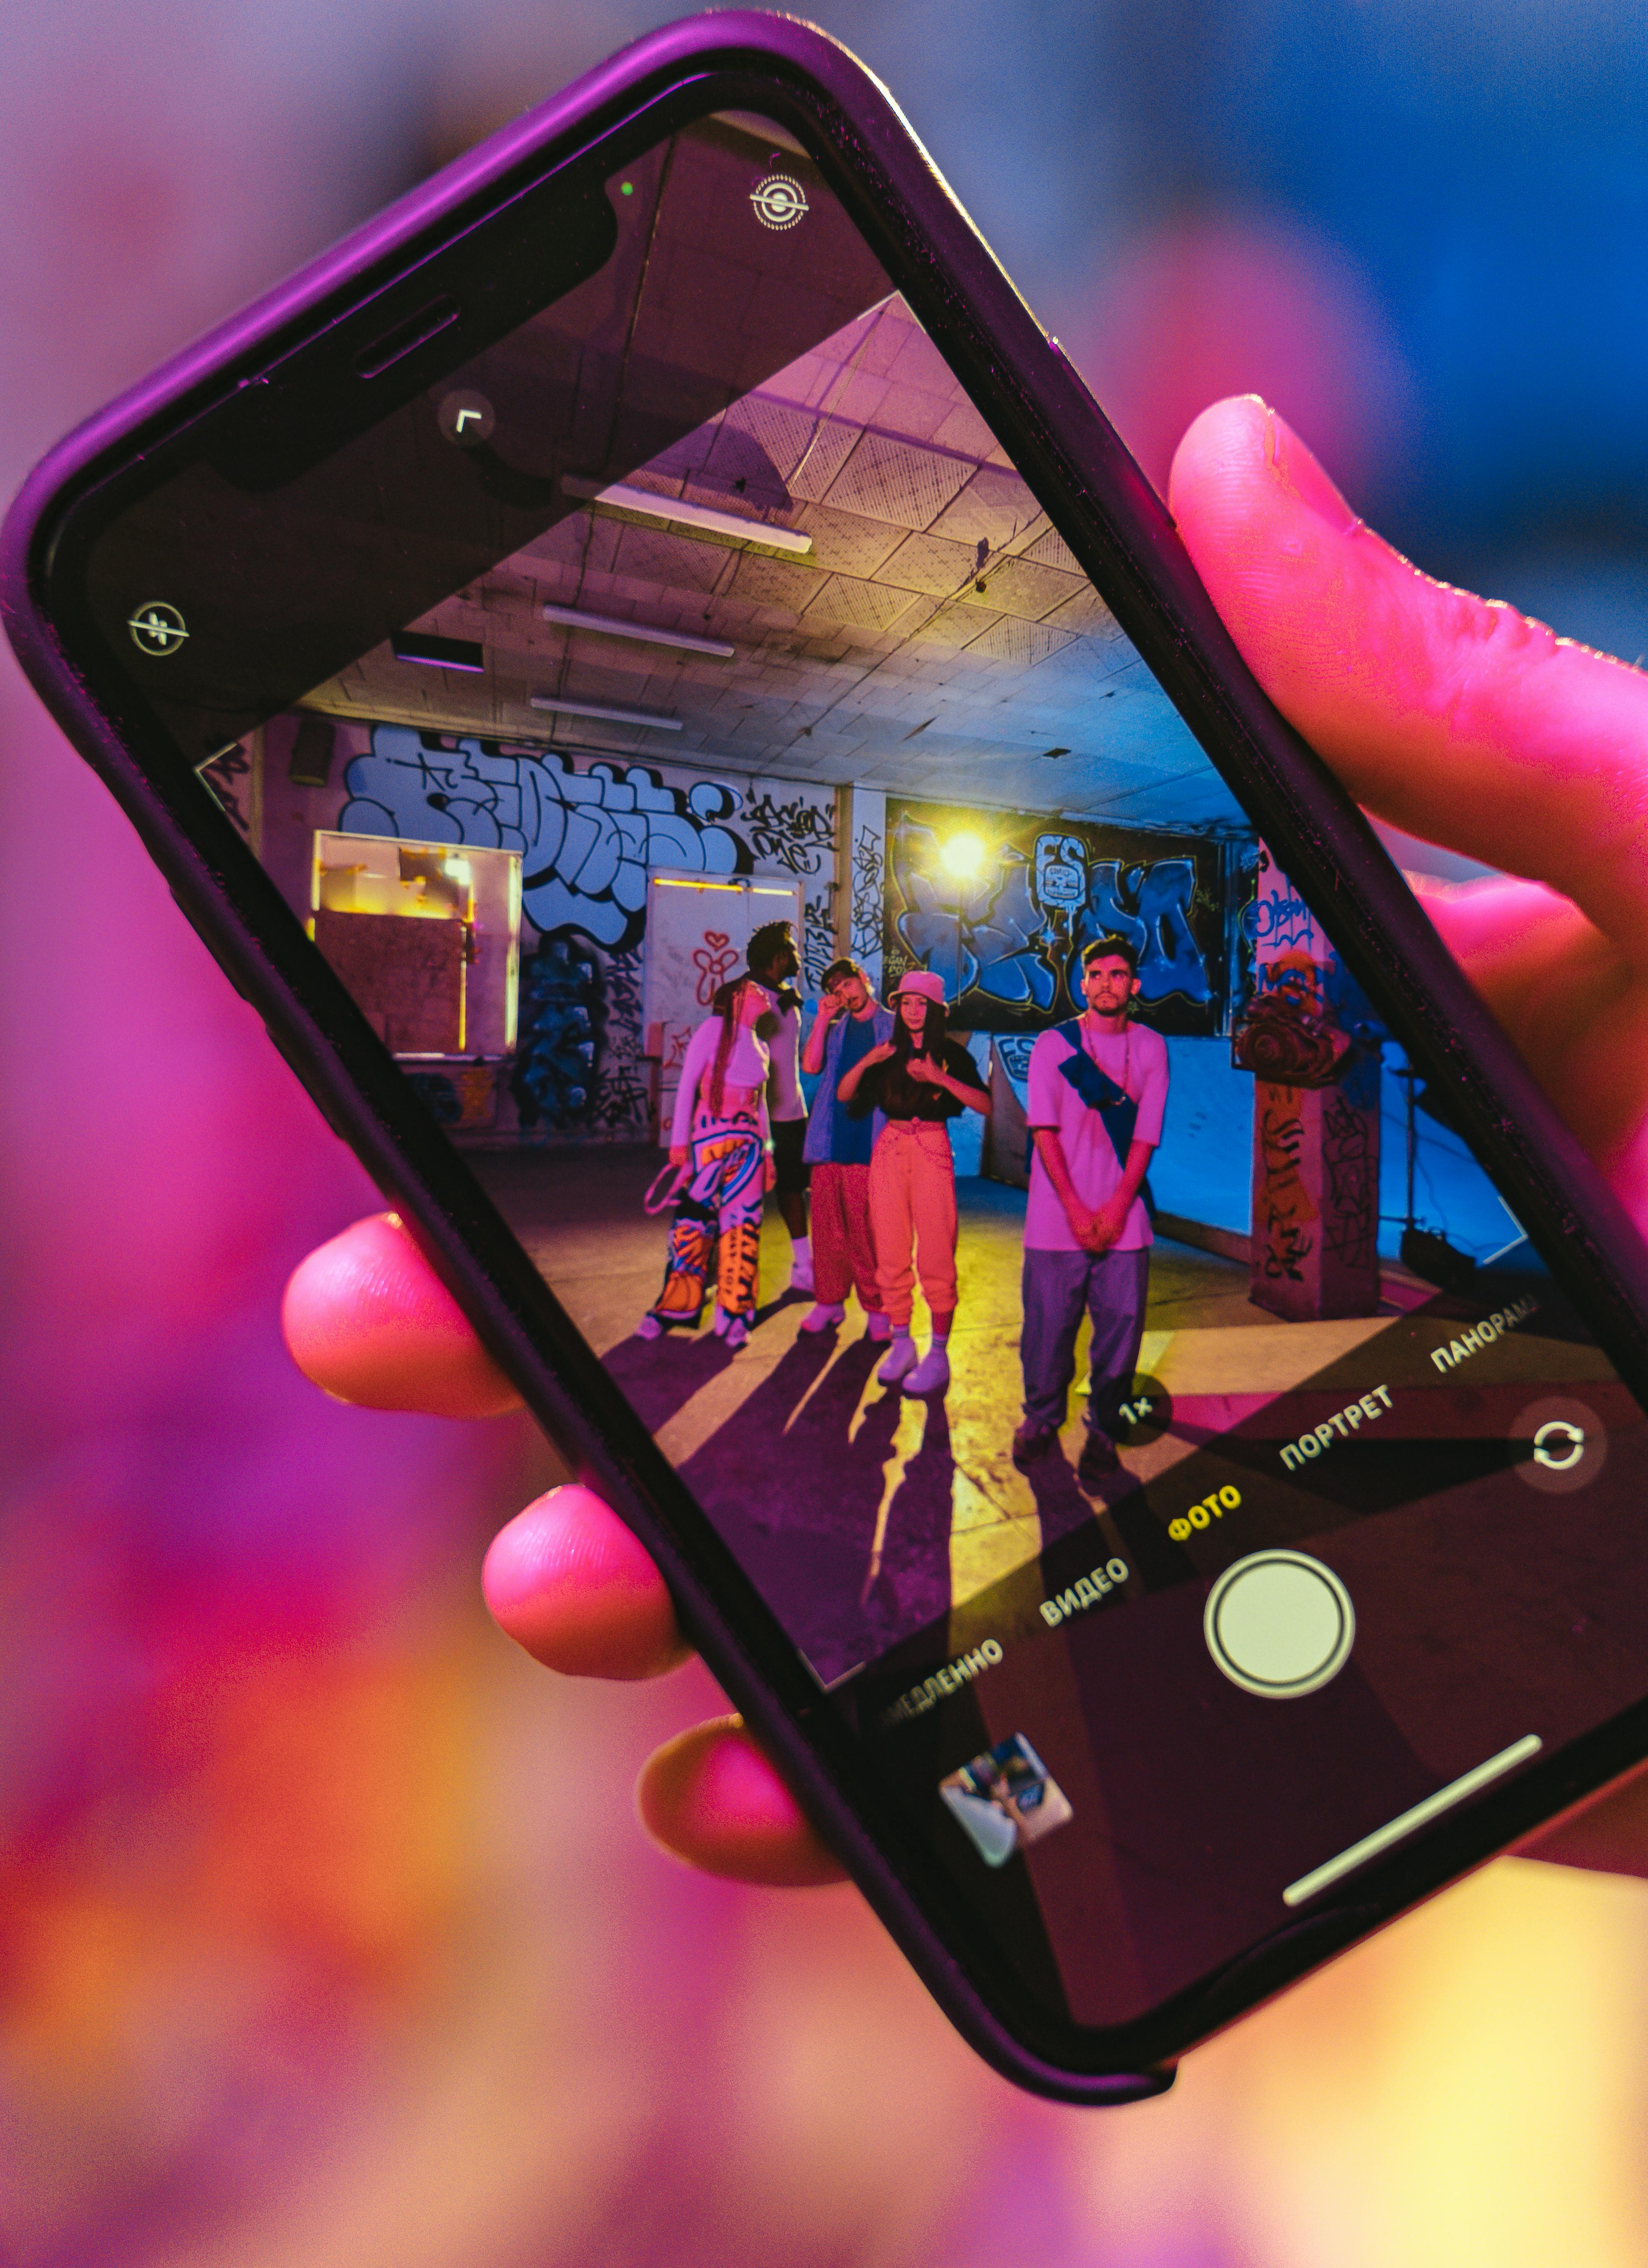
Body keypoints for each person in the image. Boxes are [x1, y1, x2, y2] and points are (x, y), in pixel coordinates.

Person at [281, 398, 1648, 1891]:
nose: (884, 998)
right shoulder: (834, 1044)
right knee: (893, 1328)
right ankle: (934, 1385)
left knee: (1006, 1308)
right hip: (917, 1195)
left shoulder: (995, 1042)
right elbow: (828, 1105)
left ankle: (1019, 1401)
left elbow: (1002, 1112)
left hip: (1031, 1209)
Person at [1016, 934, 1169, 1493]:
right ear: (1084, 983)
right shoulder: (1054, 1046)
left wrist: (1116, 1208)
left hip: (1124, 1220)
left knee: (1121, 1336)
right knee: (1049, 1331)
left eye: (1119, 974)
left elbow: (1146, 1137)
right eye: (1098, 975)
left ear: (1135, 984)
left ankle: (1104, 1431)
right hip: (1056, 1219)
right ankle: (1041, 1418)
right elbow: (1044, 1132)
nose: (1108, 983)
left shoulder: (1151, 1046)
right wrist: (1080, 1212)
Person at [835, 969, 989, 1396]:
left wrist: (940, 1080)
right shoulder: (888, 1051)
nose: (913, 1010)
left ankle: (938, 1355)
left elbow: (986, 1104)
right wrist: (868, 1061)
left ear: (936, 1010)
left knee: (938, 1252)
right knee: (889, 1249)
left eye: (921, 1003)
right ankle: (901, 1345)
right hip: (890, 1147)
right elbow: (845, 1094)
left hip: (931, 1148)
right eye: (906, 1002)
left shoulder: (951, 1056)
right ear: (899, 1007)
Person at [637, 973, 777, 1351]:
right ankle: (673, 1309)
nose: (763, 992)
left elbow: (759, 1102)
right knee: (693, 1224)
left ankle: (735, 1315)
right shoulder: (711, 1031)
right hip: (707, 1144)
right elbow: (687, 1087)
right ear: (735, 999)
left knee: (743, 1227)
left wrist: (768, 1151)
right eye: (753, 989)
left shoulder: (762, 1045)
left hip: (748, 1147)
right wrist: (679, 1143)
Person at [797, 959, 895, 1339]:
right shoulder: (836, 1029)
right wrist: (822, 1019)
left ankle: (877, 1308)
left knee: (868, 1231)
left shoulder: (891, 1023)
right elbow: (810, 1066)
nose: (844, 994)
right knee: (826, 1228)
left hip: (871, 1138)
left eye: (848, 984)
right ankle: (829, 1303)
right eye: (835, 990)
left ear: (864, 979)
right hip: (829, 1135)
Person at [746, 919, 812, 1293]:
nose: (798, 955)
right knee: (738, 1195)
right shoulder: (747, 997)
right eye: (792, 949)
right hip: (752, 1118)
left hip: (790, 1114)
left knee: (793, 1190)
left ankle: (804, 1267)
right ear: (778, 957)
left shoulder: (786, 995)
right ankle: (711, 1270)